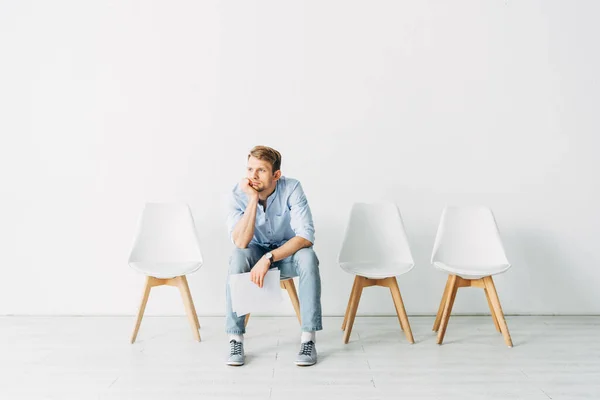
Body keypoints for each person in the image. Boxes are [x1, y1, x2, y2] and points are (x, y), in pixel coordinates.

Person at [225, 145, 322, 366]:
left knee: (308, 256)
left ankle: (308, 339)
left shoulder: (292, 188)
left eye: (261, 170)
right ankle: (235, 339)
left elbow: (306, 237)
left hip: (286, 254)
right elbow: (241, 242)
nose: (253, 176)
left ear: (276, 175)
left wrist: (268, 258)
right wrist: (252, 199)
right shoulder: (237, 194)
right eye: (250, 169)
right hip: (254, 250)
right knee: (238, 257)